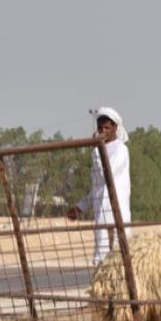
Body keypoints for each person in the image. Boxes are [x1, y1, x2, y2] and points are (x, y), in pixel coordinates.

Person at [67, 107, 132, 265]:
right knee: (101, 258)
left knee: (120, 257)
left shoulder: (121, 150)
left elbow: (107, 174)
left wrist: (97, 149)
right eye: (100, 128)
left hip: (117, 211)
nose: (103, 131)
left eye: (107, 128)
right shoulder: (96, 151)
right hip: (101, 213)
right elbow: (97, 187)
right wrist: (81, 206)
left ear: (115, 128)